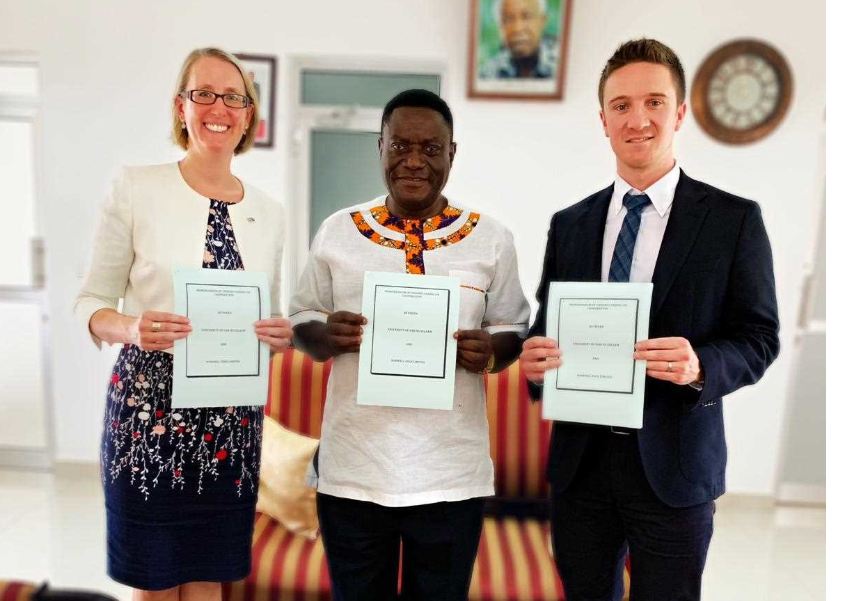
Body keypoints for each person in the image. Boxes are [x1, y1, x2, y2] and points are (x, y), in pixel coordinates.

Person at [519, 39, 780, 601]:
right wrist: (536, 365)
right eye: (621, 106)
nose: (637, 119)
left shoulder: (733, 220)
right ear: (603, 120)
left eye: (655, 102)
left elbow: (759, 338)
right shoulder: (571, 224)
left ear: (680, 113)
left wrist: (698, 366)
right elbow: (546, 333)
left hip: (675, 465)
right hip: (582, 468)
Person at [289, 89, 530, 601]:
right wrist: (324, 335)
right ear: (380, 147)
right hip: (354, 470)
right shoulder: (338, 231)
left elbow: (514, 328)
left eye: (431, 148)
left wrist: (491, 352)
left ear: (451, 153)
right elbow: (301, 319)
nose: (415, 162)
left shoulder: (491, 239)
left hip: (451, 475)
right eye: (400, 146)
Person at [74, 48, 291, 601]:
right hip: (150, 415)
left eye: (233, 97)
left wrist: (278, 335)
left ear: (249, 115)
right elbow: (91, 302)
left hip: (230, 422)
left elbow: (270, 315)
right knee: (154, 582)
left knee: (207, 580)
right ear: (181, 106)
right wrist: (131, 328)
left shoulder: (270, 213)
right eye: (203, 93)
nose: (218, 107)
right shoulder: (136, 187)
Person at [479, 0, 558, 79]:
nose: (517, 28)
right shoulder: (487, 75)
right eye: (508, 19)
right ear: (500, 28)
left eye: (527, 17)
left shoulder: (564, 67)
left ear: (543, 21)